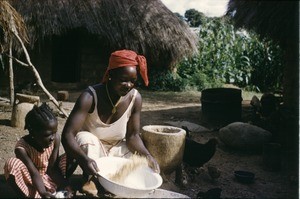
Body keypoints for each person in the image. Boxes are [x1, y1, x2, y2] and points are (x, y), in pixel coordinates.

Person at [61, 49, 160, 195]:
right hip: (92, 150)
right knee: (86, 138)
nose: (128, 85)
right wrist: (83, 159)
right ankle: (92, 180)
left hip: (116, 150)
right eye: (123, 80)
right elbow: (68, 135)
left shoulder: (135, 98)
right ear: (110, 75)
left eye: (132, 81)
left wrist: (147, 156)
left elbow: (132, 136)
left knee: (138, 160)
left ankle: (115, 185)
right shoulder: (90, 97)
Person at [4, 103, 73, 198]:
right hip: (32, 182)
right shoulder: (22, 148)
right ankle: (28, 195)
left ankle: (58, 190)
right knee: (11, 164)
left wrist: (65, 185)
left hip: (49, 178)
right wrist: (43, 192)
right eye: (47, 135)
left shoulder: (55, 139)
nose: (52, 137)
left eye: (54, 132)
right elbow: (34, 173)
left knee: (74, 153)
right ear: (33, 132)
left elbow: (52, 169)